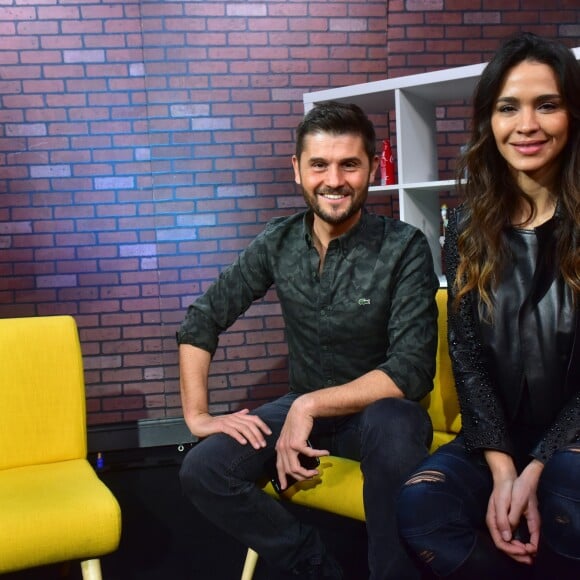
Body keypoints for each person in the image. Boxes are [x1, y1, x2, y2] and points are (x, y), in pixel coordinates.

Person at [177, 101, 439, 579]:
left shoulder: (404, 247)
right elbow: (202, 318)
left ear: (373, 169)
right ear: (297, 169)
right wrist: (198, 417)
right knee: (203, 469)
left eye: (349, 165)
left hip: (378, 417)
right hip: (304, 408)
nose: (333, 180)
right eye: (319, 164)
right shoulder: (277, 242)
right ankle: (317, 567)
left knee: (395, 428)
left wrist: (308, 405)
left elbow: (411, 369)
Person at [396, 32, 580, 579]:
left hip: (574, 439)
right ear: (489, 121)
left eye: (547, 104)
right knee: (421, 508)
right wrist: (504, 469)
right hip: (495, 438)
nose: (527, 125)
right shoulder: (467, 230)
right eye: (508, 108)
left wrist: (537, 467)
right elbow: (468, 358)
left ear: (572, 114)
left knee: (568, 493)